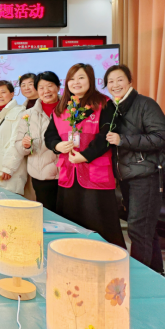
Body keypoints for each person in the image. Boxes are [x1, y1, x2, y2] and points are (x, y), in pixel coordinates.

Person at [44, 64, 125, 248]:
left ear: (90, 80)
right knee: (70, 225)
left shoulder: (104, 104)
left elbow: (106, 136)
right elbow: (49, 136)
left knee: (100, 224)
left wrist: (85, 156)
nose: (76, 82)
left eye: (81, 78)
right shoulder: (61, 108)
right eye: (72, 79)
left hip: (96, 176)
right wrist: (57, 145)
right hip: (69, 175)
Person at [104, 64, 165, 273]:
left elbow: (161, 137)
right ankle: (156, 274)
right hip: (128, 177)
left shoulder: (145, 104)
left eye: (120, 79)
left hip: (146, 176)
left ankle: (138, 279)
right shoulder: (115, 108)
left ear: (130, 81)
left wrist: (123, 140)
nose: (115, 85)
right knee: (146, 230)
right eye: (110, 81)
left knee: (138, 230)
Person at [14, 72, 60, 211]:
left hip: (67, 175)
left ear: (58, 87)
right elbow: (18, 144)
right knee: (47, 215)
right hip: (41, 175)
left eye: (50, 86)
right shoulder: (28, 115)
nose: (46, 91)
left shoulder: (70, 111)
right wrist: (25, 145)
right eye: (41, 87)